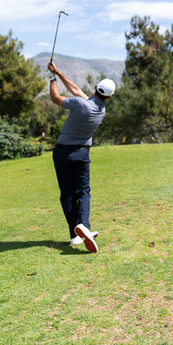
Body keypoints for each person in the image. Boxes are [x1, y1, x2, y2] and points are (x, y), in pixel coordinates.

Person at [47, 61, 116, 253]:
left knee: (68, 194)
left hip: (63, 153)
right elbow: (77, 90)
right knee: (83, 192)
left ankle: (75, 234)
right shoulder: (100, 111)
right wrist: (59, 72)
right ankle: (83, 226)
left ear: (95, 87)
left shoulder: (79, 104)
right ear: (109, 96)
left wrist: (51, 78)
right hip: (82, 154)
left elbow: (55, 98)